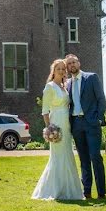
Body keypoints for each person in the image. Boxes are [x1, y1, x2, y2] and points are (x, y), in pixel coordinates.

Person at [32, 59, 84, 201]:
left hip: (66, 124)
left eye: (63, 69)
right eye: (58, 69)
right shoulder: (50, 87)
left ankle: (69, 190)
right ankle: (53, 190)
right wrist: (50, 129)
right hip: (56, 124)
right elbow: (44, 111)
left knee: (67, 154)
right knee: (57, 156)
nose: (61, 71)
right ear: (53, 71)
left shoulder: (64, 87)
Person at [65, 53, 106, 200]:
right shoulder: (68, 84)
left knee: (95, 156)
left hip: (91, 123)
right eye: (69, 64)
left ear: (79, 63)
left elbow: (101, 99)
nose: (72, 65)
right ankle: (87, 192)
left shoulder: (91, 78)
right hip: (76, 124)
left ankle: (101, 193)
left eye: (74, 62)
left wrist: (98, 118)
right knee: (83, 159)